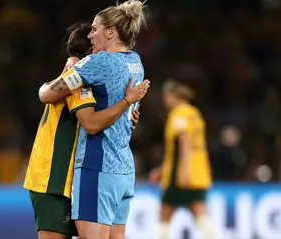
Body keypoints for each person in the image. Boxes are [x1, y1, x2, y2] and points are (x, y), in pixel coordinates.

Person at [24, 21, 148, 239]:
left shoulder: (81, 80)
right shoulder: (78, 83)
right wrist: (127, 102)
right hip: (54, 179)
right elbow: (91, 124)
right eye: (92, 37)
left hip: (74, 176)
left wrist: (126, 116)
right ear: (90, 53)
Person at [148, 79, 215, 239]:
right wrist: (162, 169)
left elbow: (183, 143)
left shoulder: (179, 114)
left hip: (180, 174)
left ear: (172, 96)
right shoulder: (195, 113)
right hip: (198, 172)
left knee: (164, 214)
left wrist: (182, 172)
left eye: (166, 97)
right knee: (200, 214)